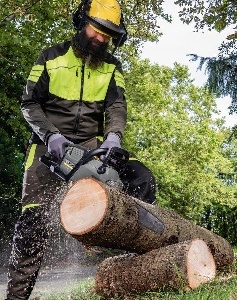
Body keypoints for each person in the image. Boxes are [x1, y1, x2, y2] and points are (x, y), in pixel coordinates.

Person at [5, 0, 156, 298]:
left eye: (107, 34)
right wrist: (50, 135)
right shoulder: (50, 57)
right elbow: (29, 103)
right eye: (96, 30)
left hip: (92, 145)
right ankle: (17, 295)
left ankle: (145, 267)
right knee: (32, 222)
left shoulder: (113, 67)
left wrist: (113, 137)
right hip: (48, 147)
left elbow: (116, 105)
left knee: (141, 178)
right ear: (81, 23)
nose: (100, 38)